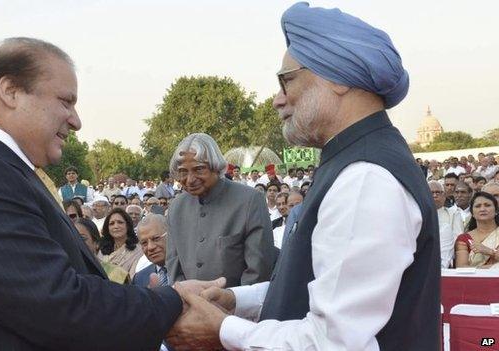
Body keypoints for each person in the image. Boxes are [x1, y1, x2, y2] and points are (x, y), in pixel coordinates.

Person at [167, 4, 439, 350]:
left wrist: (223, 330)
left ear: (338, 79)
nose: (278, 100)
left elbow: (333, 341)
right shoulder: (350, 161)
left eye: (287, 80)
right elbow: (321, 285)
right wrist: (236, 300)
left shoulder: (365, 179)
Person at [0, 37, 185, 350]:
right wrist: (174, 301)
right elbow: (58, 306)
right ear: (10, 91)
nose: (76, 121)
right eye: (66, 101)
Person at [165, 133, 275, 288]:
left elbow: (258, 270)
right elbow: (174, 266)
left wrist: (232, 303)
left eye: (199, 169)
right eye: (183, 171)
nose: (190, 179)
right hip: (190, 307)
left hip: (238, 308)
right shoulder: (177, 207)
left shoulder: (249, 201)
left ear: (216, 167)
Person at [73, 218, 129, 284]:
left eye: (82, 238)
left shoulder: (117, 275)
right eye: (72, 238)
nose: (76, 243)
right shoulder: (65, 275)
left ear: (96, 243)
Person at [454, 192, 499, 269]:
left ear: (496, 211)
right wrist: (494, 268)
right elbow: (461, 268)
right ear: (472, 214)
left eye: (487, 205)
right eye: (478, 206)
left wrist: (489, 251)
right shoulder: (464, 239)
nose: (482, 209)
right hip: (475, 280)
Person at [97, 208, 143, 278]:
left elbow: (131, 278)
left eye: (120, 222)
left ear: (127, 225)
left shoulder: (138, 251)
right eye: (111, 224)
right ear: (107, 228)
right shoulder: (101, 250)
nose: (116, 226)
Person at [428, 181, 464, 268]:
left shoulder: (454, 213)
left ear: (444, 196)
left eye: (438, 192)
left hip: (446, 259)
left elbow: (458, 238)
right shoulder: (418, 214)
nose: (435, 195)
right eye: (431, 193)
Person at [132, 214, 169, 288]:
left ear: (170, 235)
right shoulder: (139, 278)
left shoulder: (191, 270)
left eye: (156, 239)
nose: (150, 247)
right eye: (144, 243)